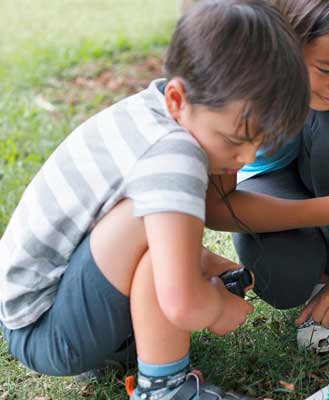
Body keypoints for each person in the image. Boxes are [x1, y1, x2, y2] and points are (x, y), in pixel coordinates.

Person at [0, 1, 310, 398]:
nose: (248, 158)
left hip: (46, 307)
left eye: (261, 143)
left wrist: (206, 267)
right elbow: (183, 303)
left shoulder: (155, 111)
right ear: (179, 100)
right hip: (47, 332)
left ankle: (126, 345)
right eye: (236, 140)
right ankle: (165, 389)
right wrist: (217, 307)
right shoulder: (173, 155)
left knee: (158, 230)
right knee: (150, 227)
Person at [204, 0, 329, 353]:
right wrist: (328, 210)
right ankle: (312, 278)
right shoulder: (243, 72)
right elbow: (217, 208)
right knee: (285, 279)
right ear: (286, 41)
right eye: (326, 69)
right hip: (267, 181)